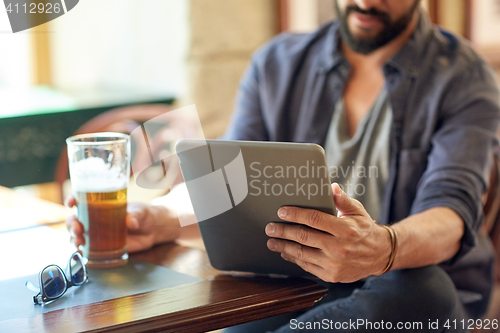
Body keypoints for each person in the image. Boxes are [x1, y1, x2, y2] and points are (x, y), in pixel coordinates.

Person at [67, 0, 500, 331]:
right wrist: (159, 218)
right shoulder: (277, 64)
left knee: (425, 291)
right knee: (233, 294)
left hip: (407, 289)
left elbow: (453, 213)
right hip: (294, 283)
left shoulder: (464, 77)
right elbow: (227, 183)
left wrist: (381, 250)